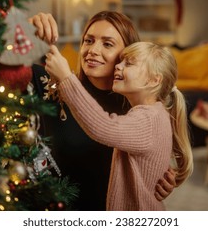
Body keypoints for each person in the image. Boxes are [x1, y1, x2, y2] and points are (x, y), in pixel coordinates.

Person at [30, 11, 176, 210]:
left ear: (128, 53)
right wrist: (25, 29)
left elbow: (107, 129)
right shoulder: (52, 86)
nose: (92, 50)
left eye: (107, 44)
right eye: (88, 41)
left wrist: (154, 180)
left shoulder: (139, 110)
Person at [44, 41, 193, 210]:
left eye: (128, 63)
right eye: (120, 61)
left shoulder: (148, 120)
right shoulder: (155, 114)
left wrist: (65, 78)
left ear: (154, 80)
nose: (118, 66)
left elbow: (103, 126)